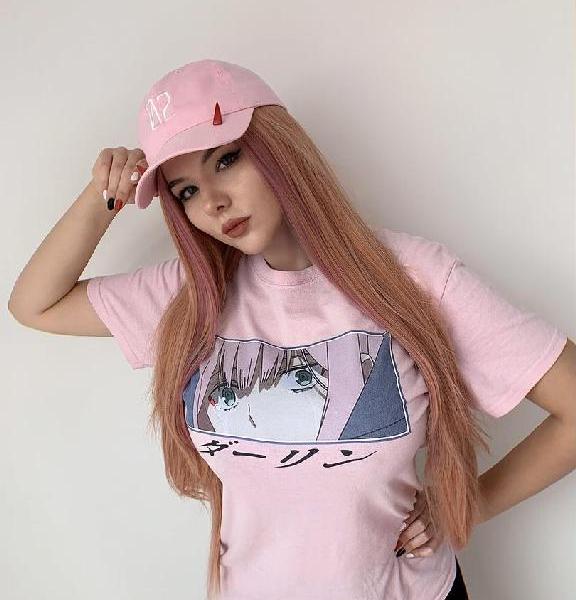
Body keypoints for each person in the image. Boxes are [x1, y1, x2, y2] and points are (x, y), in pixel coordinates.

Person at [8, 58, 574, 600]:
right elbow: (36, 305)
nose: (213, 201)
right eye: (185, 191)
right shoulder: (192, 296)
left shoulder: (417, 278)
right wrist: (103, 195)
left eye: (226, 160)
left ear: (278, 147)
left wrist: (465, 506)